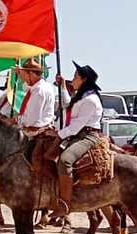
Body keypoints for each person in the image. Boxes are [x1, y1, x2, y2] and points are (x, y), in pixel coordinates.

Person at [49, 63, 104, 219]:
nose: (72, 79)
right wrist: (62, 86)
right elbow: (67, 106)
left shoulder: (91, 100)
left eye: (75, 77)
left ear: (84, 80)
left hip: (86, 136)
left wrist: (58, 134)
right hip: (77, 134)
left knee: (65, 160)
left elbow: (75, 127)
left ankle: (64, 204)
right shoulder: (82, 96)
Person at [15, 57, 62, 136]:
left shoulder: (39, 91)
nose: (23, 78)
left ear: (31, 74)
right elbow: (26, 87)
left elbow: (31, 120)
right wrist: (21, 74)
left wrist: (17, 120)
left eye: (24, 75)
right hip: (37, 129)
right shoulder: (42, 86)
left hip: (34, 131)